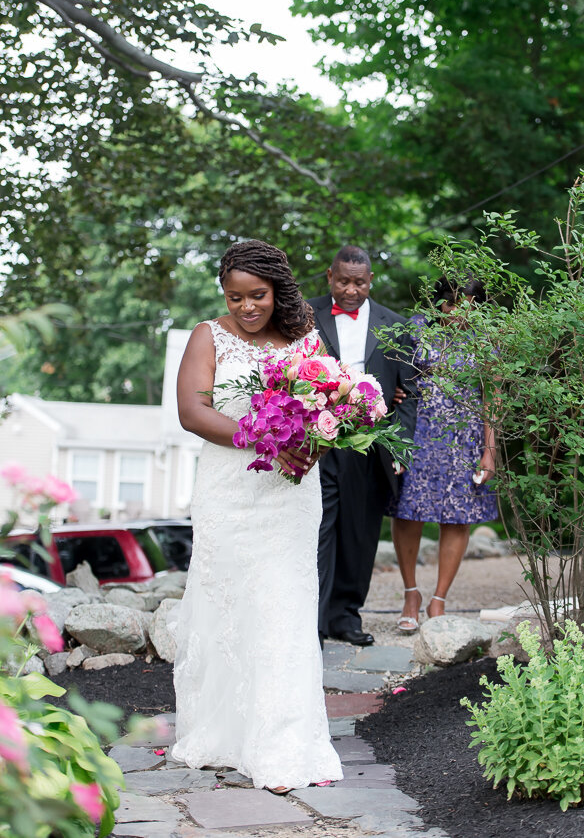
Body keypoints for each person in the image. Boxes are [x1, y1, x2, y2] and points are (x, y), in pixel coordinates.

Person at [172, 239, 342, 793]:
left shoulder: (304, 338)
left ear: (277, 290)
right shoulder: (208, 335)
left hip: (291, 492)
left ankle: (284, 739)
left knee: (286, 604)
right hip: (228, 491)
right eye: (235, 296)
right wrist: (264, 439)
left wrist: (310, 444)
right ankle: (222, 732)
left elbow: (329, 408)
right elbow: (192, 412)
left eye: (258, 296)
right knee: (227, 599)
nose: (247, 307)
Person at [309, 246, 417, 647]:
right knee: (317, 529)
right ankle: (313, 622)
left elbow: (412, 391)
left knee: (360, 531)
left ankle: (345, 617)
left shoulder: (396, 325)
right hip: (316, 439)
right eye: (343, 281)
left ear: (370, 281)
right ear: (329, 276)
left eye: (359, 282)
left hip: (371, 441)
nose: (350, 290)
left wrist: (401, 447)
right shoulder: (305, 314)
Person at [389, 276, 497, 632]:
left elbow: (490, 397)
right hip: (418, 433)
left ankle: (439, 601)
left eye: (467, 305)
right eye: (450, 304)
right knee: (407, 512)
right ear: (438, 303)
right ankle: (411, 595)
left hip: (464, 438)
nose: (456, 313)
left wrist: (489, 450)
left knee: (458, 516)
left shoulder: (486, 339)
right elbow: (395, 376)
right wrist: (394, 395)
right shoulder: (415, 330)